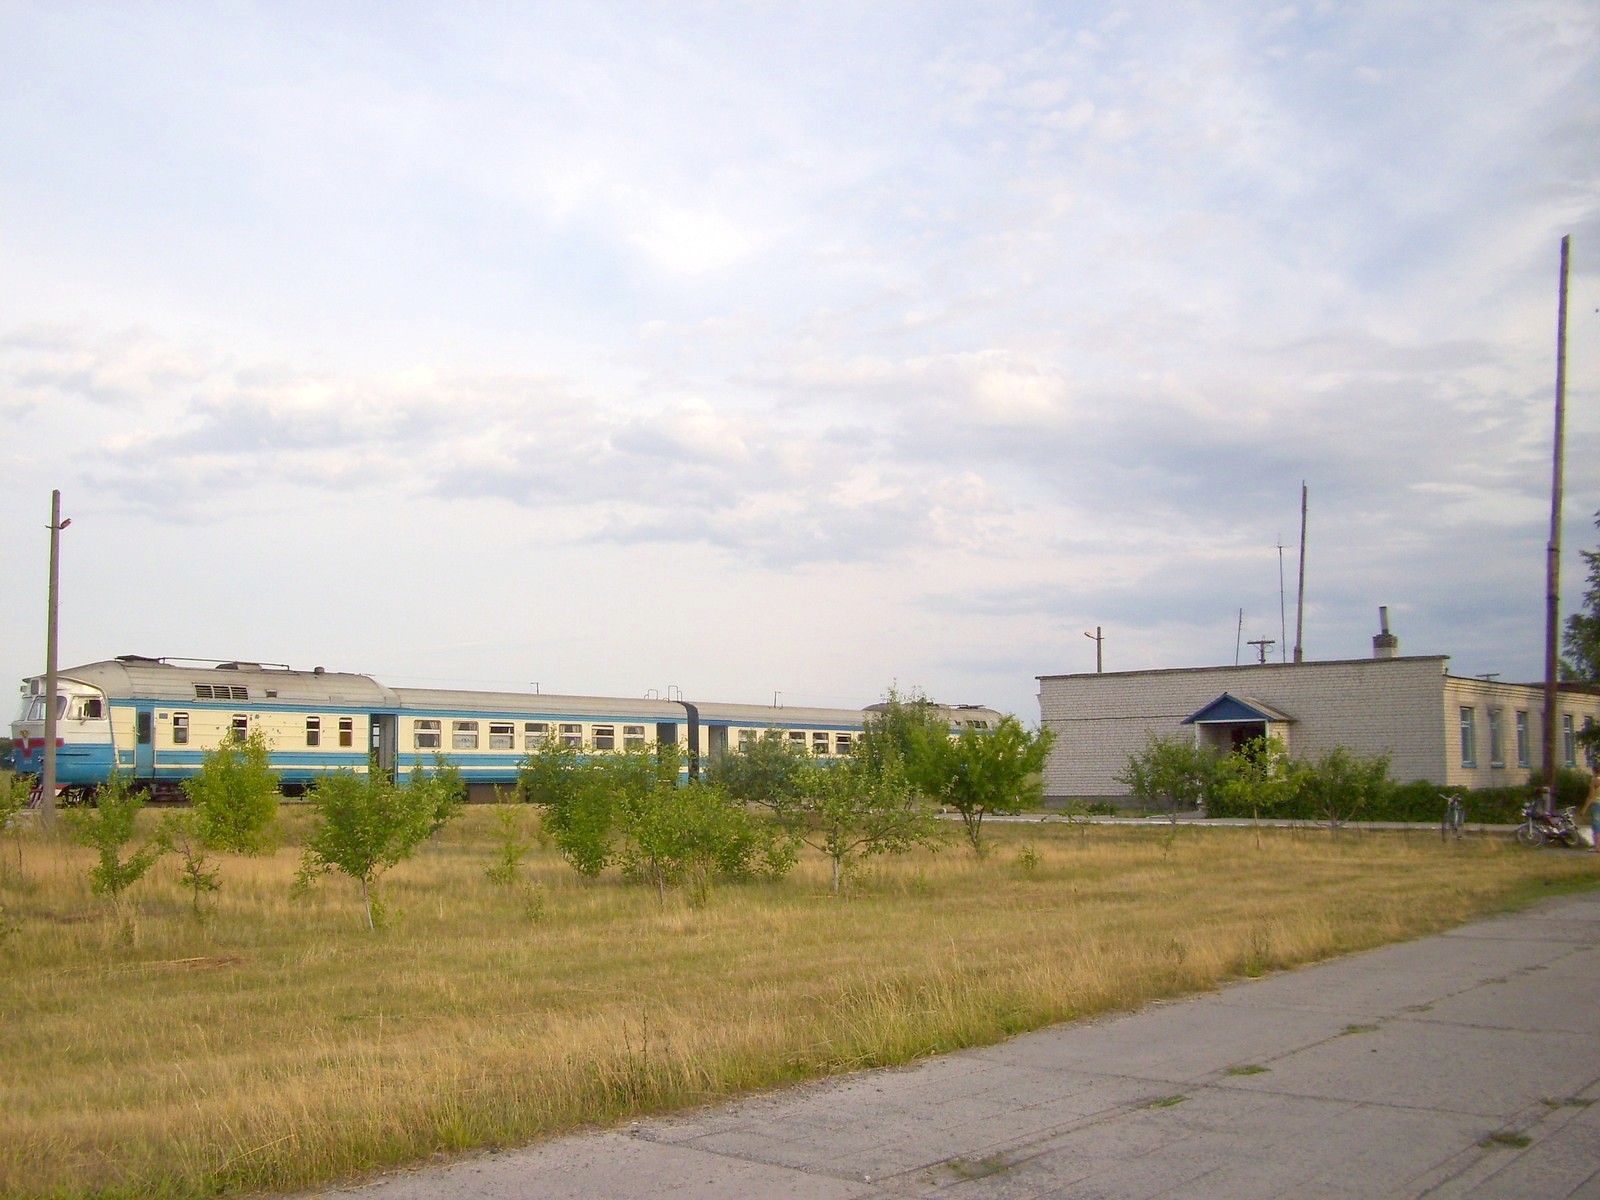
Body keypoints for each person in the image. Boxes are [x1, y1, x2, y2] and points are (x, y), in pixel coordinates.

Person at [1583, 772, 1600, 853]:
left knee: (1597, 826)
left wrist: (1584, 809)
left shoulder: (1595, 781)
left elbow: (1591, 797)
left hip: (1597, 805)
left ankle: (1597, 847)